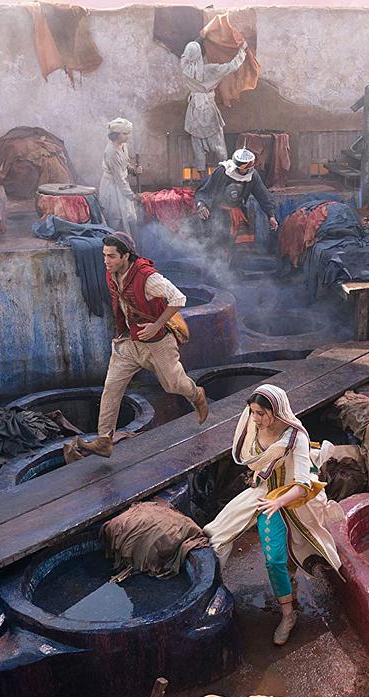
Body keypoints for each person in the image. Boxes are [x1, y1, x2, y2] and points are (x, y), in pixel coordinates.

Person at [203, 384, 342, 647]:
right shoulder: (253, 426)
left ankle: (288, 607)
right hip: (265, 495)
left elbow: (302, 484)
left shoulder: (295, 437)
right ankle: (286, 613)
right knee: (230, 540)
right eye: (252, 412)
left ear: (276, 412)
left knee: (292, 553)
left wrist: (278, 501)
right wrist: (265, 489)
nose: (255, 418)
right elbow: (253, 461)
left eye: (260, 413)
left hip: (293, 498)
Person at [75, 232, 208, 458]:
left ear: (126, 256)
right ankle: (105, 439)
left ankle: (197, 395)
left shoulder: (148, 277)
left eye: (111, 256)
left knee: (174, 385)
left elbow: (179, 298)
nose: (106, 261)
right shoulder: (112, 274)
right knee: (111, 388)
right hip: (128, 342)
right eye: (104, 255)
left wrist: (157, 325)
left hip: (157, 344)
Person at [181, 38, 247, 173]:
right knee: (219, 148)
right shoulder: (210, 70)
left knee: (198, 149)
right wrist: (242, 51)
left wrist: (199, 39)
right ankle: (222, 177)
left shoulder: (184, 69)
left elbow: (186, 55)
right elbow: (231, 66)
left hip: (194, 112)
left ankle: (203, 181)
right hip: (208, 110)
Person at [194, 148, 278, 251]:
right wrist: (202, 204)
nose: (244, 172)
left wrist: (271, 215)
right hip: (218, 213)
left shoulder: (252, 175)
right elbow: (205, 190)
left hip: (237, 213)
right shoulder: (222, 171)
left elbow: (263, 195)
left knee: (239, 248)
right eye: (242, 169)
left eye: (246, 169)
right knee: (216, 245)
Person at [99, 117, 140, 234]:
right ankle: (115, 241)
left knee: (130, 216)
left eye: (128, 133)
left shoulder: (123, 145)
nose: (128, 136)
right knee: (115, 219)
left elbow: (125, 164)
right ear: (116, 135)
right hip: (112, 188)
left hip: (121, 186)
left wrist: (133, 171)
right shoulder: (112, 152)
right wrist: (132, 196)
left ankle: (130, 241)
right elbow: (119, 179)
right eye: (125, 134)